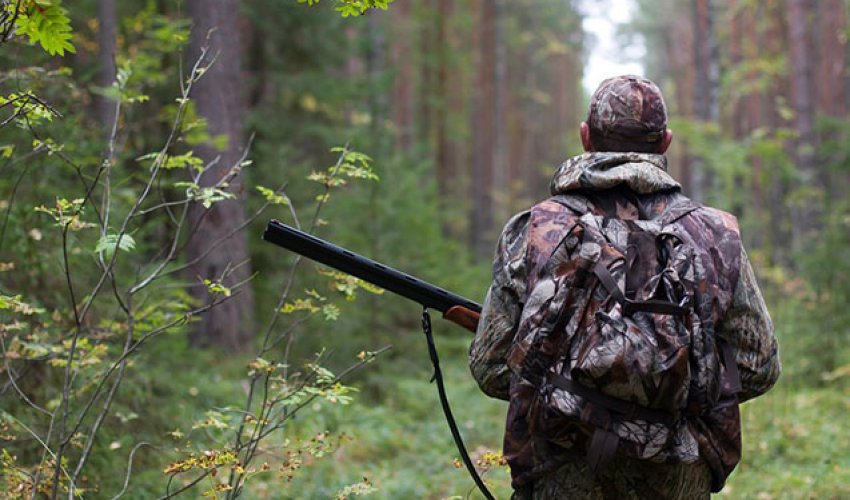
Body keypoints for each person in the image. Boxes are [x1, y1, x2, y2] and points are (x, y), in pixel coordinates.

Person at [469, 75, 781, 499]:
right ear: (666, 142)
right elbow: (757, 366)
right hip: (678, 474)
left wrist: (574, 396)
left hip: (561, 471)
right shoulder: (714, 234)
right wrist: (671, 394)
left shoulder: (538, 229)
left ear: (585, 138)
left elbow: (491, 368)